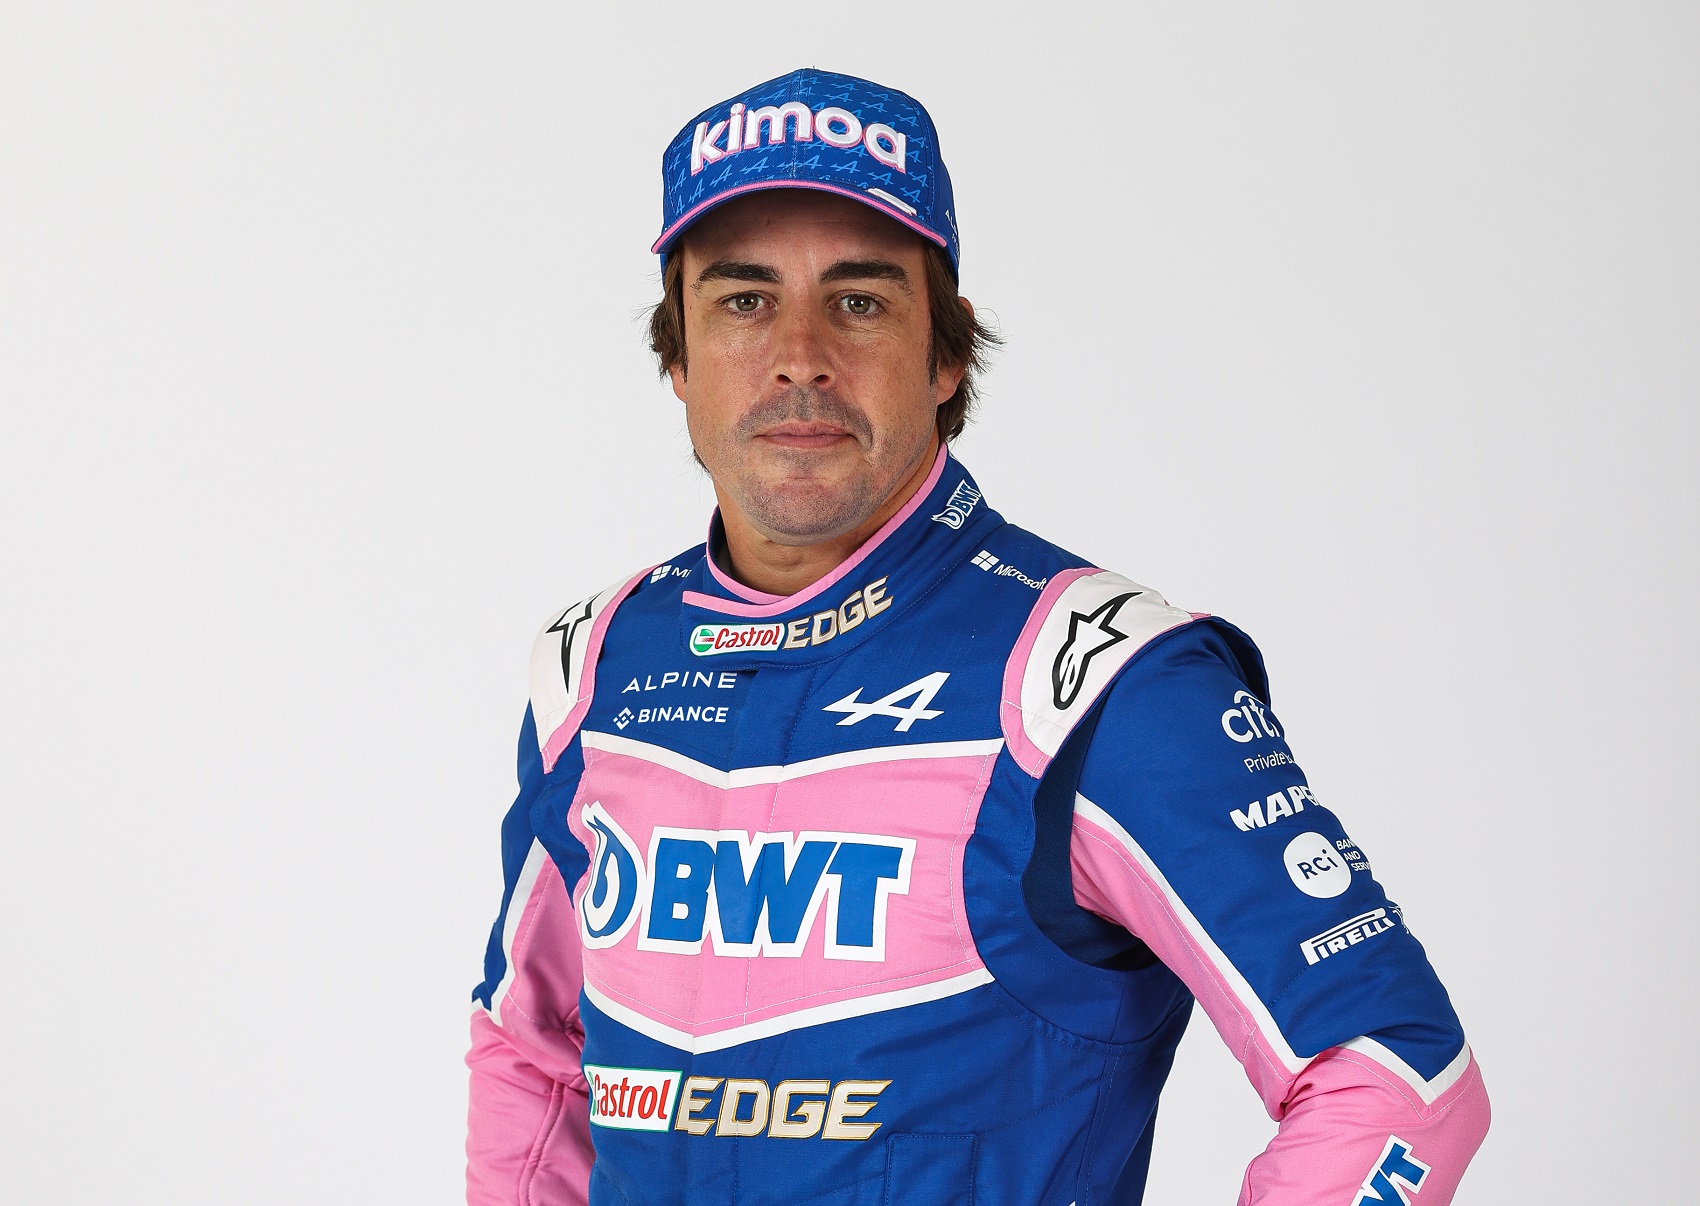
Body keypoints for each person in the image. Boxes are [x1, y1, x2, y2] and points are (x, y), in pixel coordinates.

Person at [465, 68, 1490, 1205]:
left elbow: (1398, 1079)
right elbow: (530, 1055)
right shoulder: (592, 668)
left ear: (947, 356)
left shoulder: (1098, 682)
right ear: (678, 357)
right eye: (743, 301)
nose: (799, 353)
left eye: (860, 302)